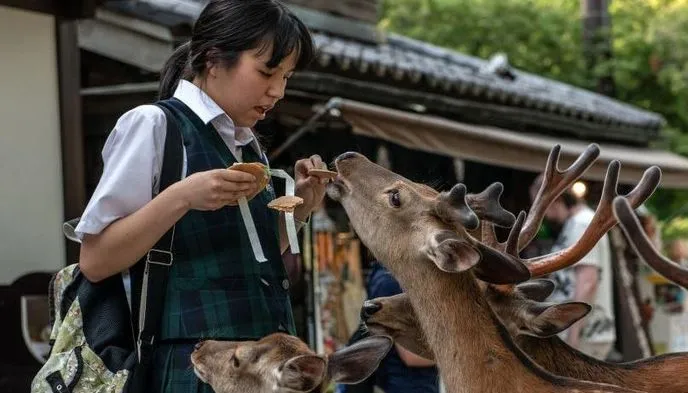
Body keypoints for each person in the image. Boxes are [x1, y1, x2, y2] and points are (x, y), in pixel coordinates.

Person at [74, 1, 324, 391]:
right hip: (191, 368)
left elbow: (245, 257)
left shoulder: (247, 144)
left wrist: (302, 206)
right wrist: (182, 196)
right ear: (213, 60)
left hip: (262, 369)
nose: (277, 91)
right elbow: (96, 260)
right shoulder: (154, 125)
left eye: (287, 77)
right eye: (267, 72)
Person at [529, 175, 616, 360]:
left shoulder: (582, 223)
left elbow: (588, 282)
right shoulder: (575, 223)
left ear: (554, 199)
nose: (539, 214)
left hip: (585, 334)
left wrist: (573, 335)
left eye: (539, 206)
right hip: (580, 332)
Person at [337, 261, 440, 393]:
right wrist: (456, 358)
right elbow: (410, 356)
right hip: (406, 385)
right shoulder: (392, 282)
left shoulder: (387, 275)